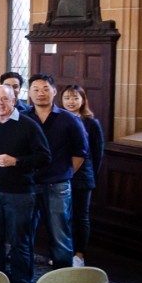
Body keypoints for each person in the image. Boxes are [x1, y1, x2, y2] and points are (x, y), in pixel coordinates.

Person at [0, 84, 50, 283]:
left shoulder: (28, 125)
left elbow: (45, 158)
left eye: (5, 99)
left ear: (14, 100)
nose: (0, 103)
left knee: (20, 241)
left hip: (20, 193)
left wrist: (16, 161)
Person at [28, 74, 88, 269]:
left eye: (45, 89)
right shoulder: (23, 118)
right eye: (36, 89)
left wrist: (65, 173)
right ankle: (23, 280)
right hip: (28, 183)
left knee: (60, 232)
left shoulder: (69, 119)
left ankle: (63, 281)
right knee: (25, 231)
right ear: (29, 93)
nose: (41, 93)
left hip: (58, 184)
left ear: (54, 92)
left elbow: (80, 153)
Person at [60, 84, 103, 267]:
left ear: (83, 100)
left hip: (83, 178)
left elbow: (97, 153)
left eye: (75, 98)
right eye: (67, 98)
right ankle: (63, 251)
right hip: (60, 175)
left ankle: (79, 254)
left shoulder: (91, 123)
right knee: (62, 216)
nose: (71, 102)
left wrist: (90, 175)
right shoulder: (58, 120)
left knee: (80, 216)